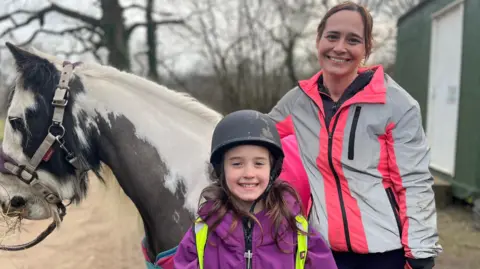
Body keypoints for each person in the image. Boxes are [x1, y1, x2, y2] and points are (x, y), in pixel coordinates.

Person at [268, 2, 442, 269]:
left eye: (353, 40)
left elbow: (414, 182)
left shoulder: (396, 104)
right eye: (332, 36)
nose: (340, 47)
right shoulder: (298, 102)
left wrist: (421, 252)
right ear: (318, 40)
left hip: (385, 253)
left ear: (366, 49)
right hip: (322, 251)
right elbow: (256, 139)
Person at [173, 109, 338, 269]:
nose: (249, 173)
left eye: (259, 163)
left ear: (272, 169)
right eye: (237, 164)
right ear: (221, 169)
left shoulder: (298, 231)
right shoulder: (202, 232)